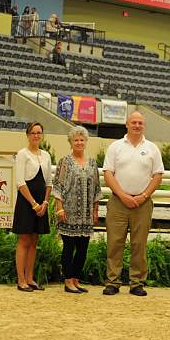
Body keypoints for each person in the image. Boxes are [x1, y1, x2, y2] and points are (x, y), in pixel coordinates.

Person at [102, 111, 164, 296]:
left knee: (139, 244)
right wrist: (122, 195)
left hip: (142, 204)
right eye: (134, 122)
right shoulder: (116, 147)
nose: (137, 125)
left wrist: (143, 196)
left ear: (143, 126)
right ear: (127, 125)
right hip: (118, 202)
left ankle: (136, 283)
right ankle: (113, 281)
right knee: (114, 242)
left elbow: (158, 175)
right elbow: (108, 173)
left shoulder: (152, 148)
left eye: (140, 123)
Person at [53, 126, 102, 294]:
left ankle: (76, 279)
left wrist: (95, 210)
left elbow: (96, 188)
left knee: (83, 249)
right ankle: (67, 281)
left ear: (86, 142)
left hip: (86, 214)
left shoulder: (93, 163)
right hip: (69, 212)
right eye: (76, 140)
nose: (79, 142)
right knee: (68, 247)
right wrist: (59, 209)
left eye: (82, 139)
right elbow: (58, 186)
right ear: (71, 142)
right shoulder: (65, 162)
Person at [12, 122, 53, 292]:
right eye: (33, 132)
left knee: (35, 240)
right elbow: (20, 182)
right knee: (24, 240)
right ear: (28, 135)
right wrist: (34, 204)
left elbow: (49, 182)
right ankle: (21, 280)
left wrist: (44, 202)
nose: (36, 135)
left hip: (41, 203)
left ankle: (30, 278)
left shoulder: (46, 155)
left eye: (39, 132)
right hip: (26, 202)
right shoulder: (22, 154)